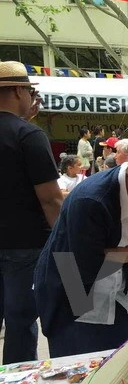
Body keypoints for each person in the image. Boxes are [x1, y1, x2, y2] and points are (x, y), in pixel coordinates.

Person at [35, 133, 128, 357]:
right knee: (80, 367)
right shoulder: (92, 200)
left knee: (124, 361)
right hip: (74, 285)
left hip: (122, 288)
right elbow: (86, 262)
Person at [0, 61, 62, 364]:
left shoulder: (25, 132)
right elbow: (51, 199)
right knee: (20, 322)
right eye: (29, 91)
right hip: (25, 245)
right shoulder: (28, 136)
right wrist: (66, 242)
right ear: (17, 90)